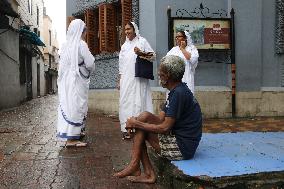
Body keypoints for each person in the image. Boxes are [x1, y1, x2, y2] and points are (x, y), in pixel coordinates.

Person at [113, 55, 202, 183]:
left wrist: (135, 123)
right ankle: (137, 166)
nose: (158, 74)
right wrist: (137, 121)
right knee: (144, 116)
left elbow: (164, 127)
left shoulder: (178, 94)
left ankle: (140, 168)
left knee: (141, 129)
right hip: (180, 139)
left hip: (183, 148)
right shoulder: (176, 90)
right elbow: (160, 118)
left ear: (168, 76)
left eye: (161, 73)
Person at [57, 19, 95, 147]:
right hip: (77, 80)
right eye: (84, 30)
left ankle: (73, 133)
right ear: (81, 31)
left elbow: (61, 66)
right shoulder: (81, 44)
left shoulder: (64, 46)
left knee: (68, 105)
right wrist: (88, 69)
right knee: (77, 106)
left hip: (66, 81)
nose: (85, 33)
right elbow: (90, 63)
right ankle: (72, 140)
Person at [117, 22, 155, 139]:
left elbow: (153, 56)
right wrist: (120, 80)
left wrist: (141, 53)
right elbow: (121, 65)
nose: (127, 31)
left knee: (139, 100)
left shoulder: (142, 41)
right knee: (125, 101)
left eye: (129, 29)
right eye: (125, 29)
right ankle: (127, 128)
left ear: (134, 29)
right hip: (127, 79)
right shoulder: (124, 46)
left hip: (139, 79)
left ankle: (140, 128)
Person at [167, 30, 199, 94]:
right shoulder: (174, 49)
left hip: (186, 75)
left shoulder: (191, 48)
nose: (177, 38)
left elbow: (192, 59)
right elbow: (167, 61)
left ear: (185, 38)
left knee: (186, 94)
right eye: (176, 37)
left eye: (179, 36)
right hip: (174, 77)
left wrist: (182, 48)